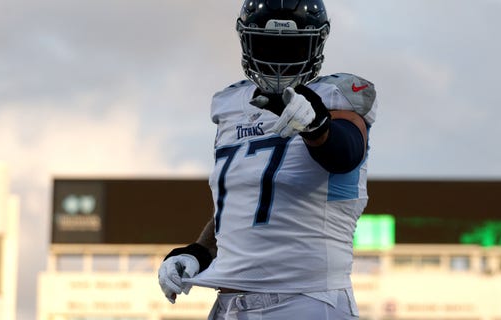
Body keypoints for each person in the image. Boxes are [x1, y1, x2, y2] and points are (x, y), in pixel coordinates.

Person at [158, 0, 377, 319]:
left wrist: (317, 125)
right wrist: (200, 250)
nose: (277, 58)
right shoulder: (231, 103)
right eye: (267, 44)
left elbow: (345, 153)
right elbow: (241, 206)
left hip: (305, 300)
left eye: (290, 47)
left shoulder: (335, 95)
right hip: (229, 305)